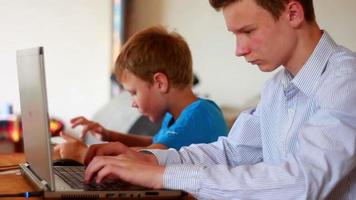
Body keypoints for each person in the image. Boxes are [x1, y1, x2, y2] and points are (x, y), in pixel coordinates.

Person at [82, 0, 356, 199]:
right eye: (235, 35)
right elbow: (231, 153)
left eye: (247, 31)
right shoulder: (276, 89)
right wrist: (148, 160)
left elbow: (301, 183)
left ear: (293, 12)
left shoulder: (347, 82)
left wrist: (161, 176)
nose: (239, 49)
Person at [54, 26, 228, 163]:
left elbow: (149, 155)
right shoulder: (175, 117)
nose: (133, 103)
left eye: (134, 92)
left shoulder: (200, 115)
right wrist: (108, 135)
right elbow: (152, 143)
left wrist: (84, 153)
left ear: (160, 83)